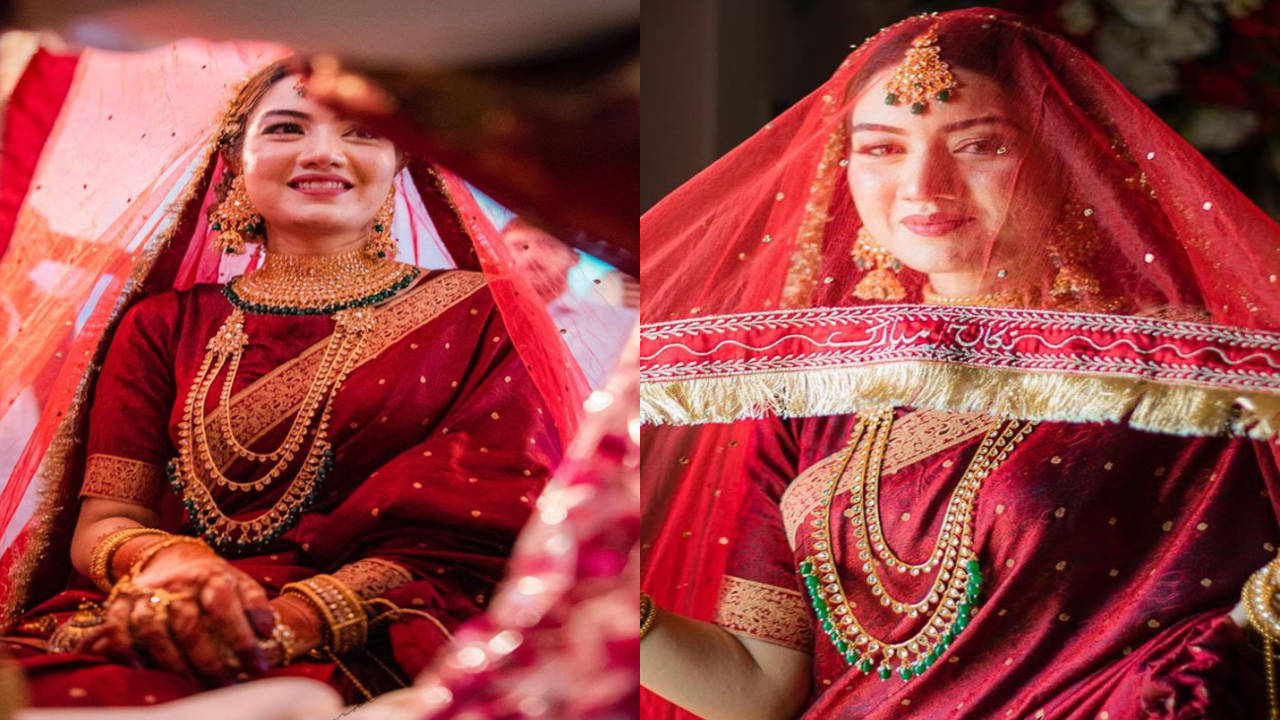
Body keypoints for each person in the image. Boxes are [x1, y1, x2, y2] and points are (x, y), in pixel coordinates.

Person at [640, 8, 1280, 719]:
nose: (923, 185)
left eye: (979, 145)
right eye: (881, 149)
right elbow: (757, 691)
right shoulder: (820, 383)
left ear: (1067, 160)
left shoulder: (1177, 377)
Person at [0, 56, 574, 707]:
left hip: (371, 633)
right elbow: (107, 518)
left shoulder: (482, 316)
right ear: (236, 158)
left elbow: (477, 536)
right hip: (159, 609)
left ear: (402, 163)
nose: (324, 152)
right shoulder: (161, 324)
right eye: (285, 129)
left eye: (360, 132)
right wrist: (177, 568)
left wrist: (292, 619)